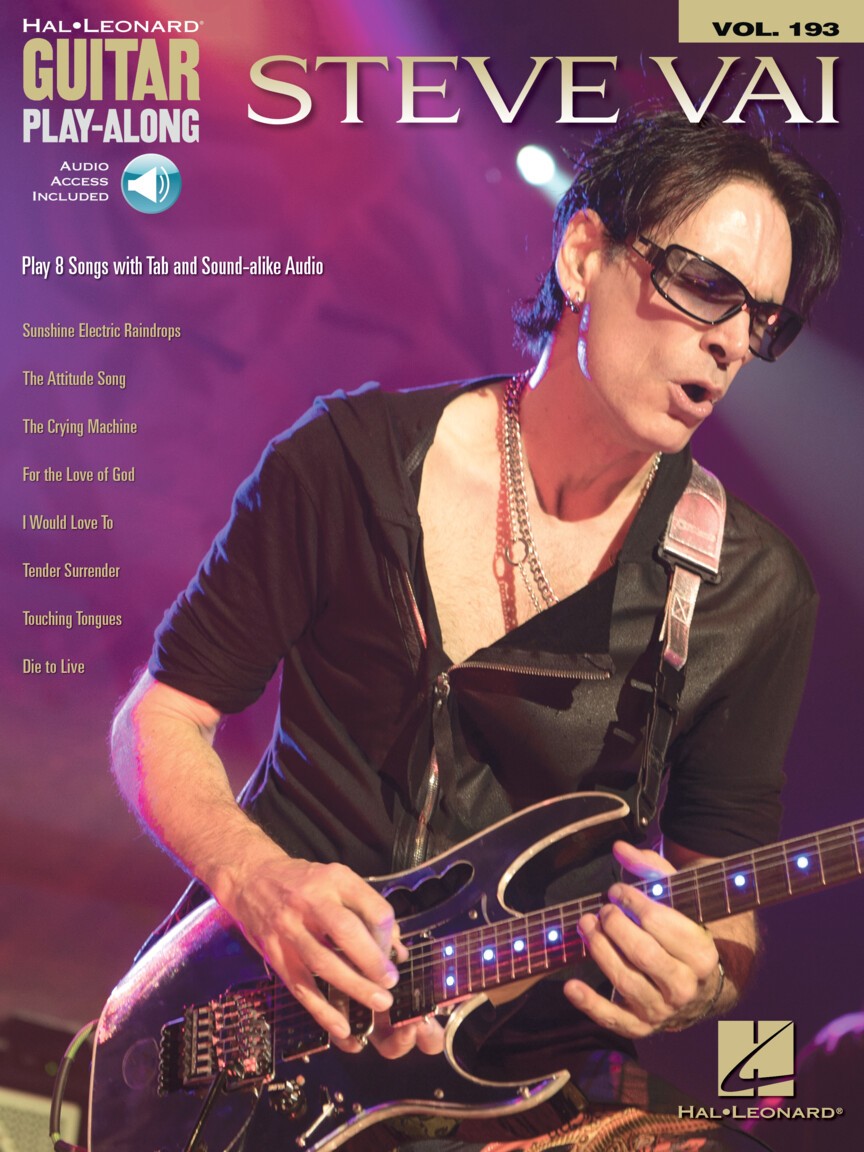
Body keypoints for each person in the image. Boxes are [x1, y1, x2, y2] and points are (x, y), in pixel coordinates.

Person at [110, 109, 842, 1151]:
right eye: (703, 285)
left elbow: (722, 901)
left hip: (515, 1098)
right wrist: (256, 879)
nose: (731, 342)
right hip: (252, 1034)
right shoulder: (347, 461)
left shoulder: (751, 590)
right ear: (584, 256)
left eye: (761, 320)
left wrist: (703, 985)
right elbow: (160, 719)